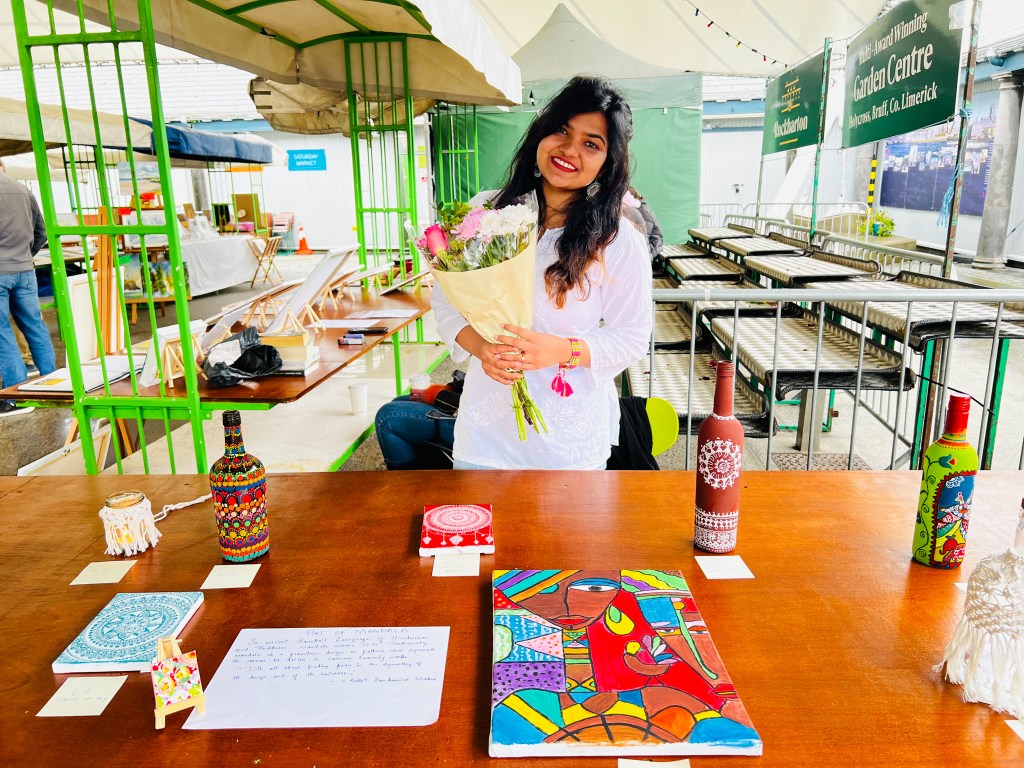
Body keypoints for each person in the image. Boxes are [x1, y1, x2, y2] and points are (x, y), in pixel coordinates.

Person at [430, 75, 653, 470]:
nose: (569, 149)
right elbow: (447, 298)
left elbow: (633, 336)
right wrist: (482, 350)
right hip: (486, 432)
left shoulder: (617, 240)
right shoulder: (486, 212)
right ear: (541, 134)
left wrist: (563, 350)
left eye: (591, 143)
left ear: (607, 163)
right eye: (561, 131)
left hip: (568, 441)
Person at [0, 158, 55, 416]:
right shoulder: (24, 190)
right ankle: (54, 383)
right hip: (25, 270)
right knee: (35, 326)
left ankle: (17, 395)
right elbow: (41, 233)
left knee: (3, 333)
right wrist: (25, 255)